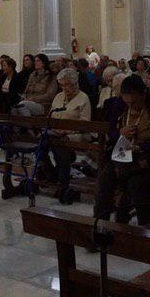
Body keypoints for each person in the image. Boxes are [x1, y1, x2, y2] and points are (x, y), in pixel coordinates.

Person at [94, 75, 150, 226]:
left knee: (136, 184)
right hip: (122, 154)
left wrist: (141, 147)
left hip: (146, 157)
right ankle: (99, 224)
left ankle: (144, 225)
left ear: (143, 95)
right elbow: (110, 131)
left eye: (135, 101)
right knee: (104, 180)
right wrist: (120, 133)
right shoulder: (119, 104)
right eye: (127, 100)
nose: (131, 104)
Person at [47, 68, 92, 204]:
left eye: (66, 84)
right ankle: (52, 174)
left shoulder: (83, 98)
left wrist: (67, 131)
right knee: (42, 143)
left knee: (61, 145)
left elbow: (85, 123)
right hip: (56, 133)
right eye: (62, 85)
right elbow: (51, 115)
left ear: (75, 83)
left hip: (77, 134)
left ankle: (62, 182)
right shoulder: (58, 97)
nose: (64, 88)